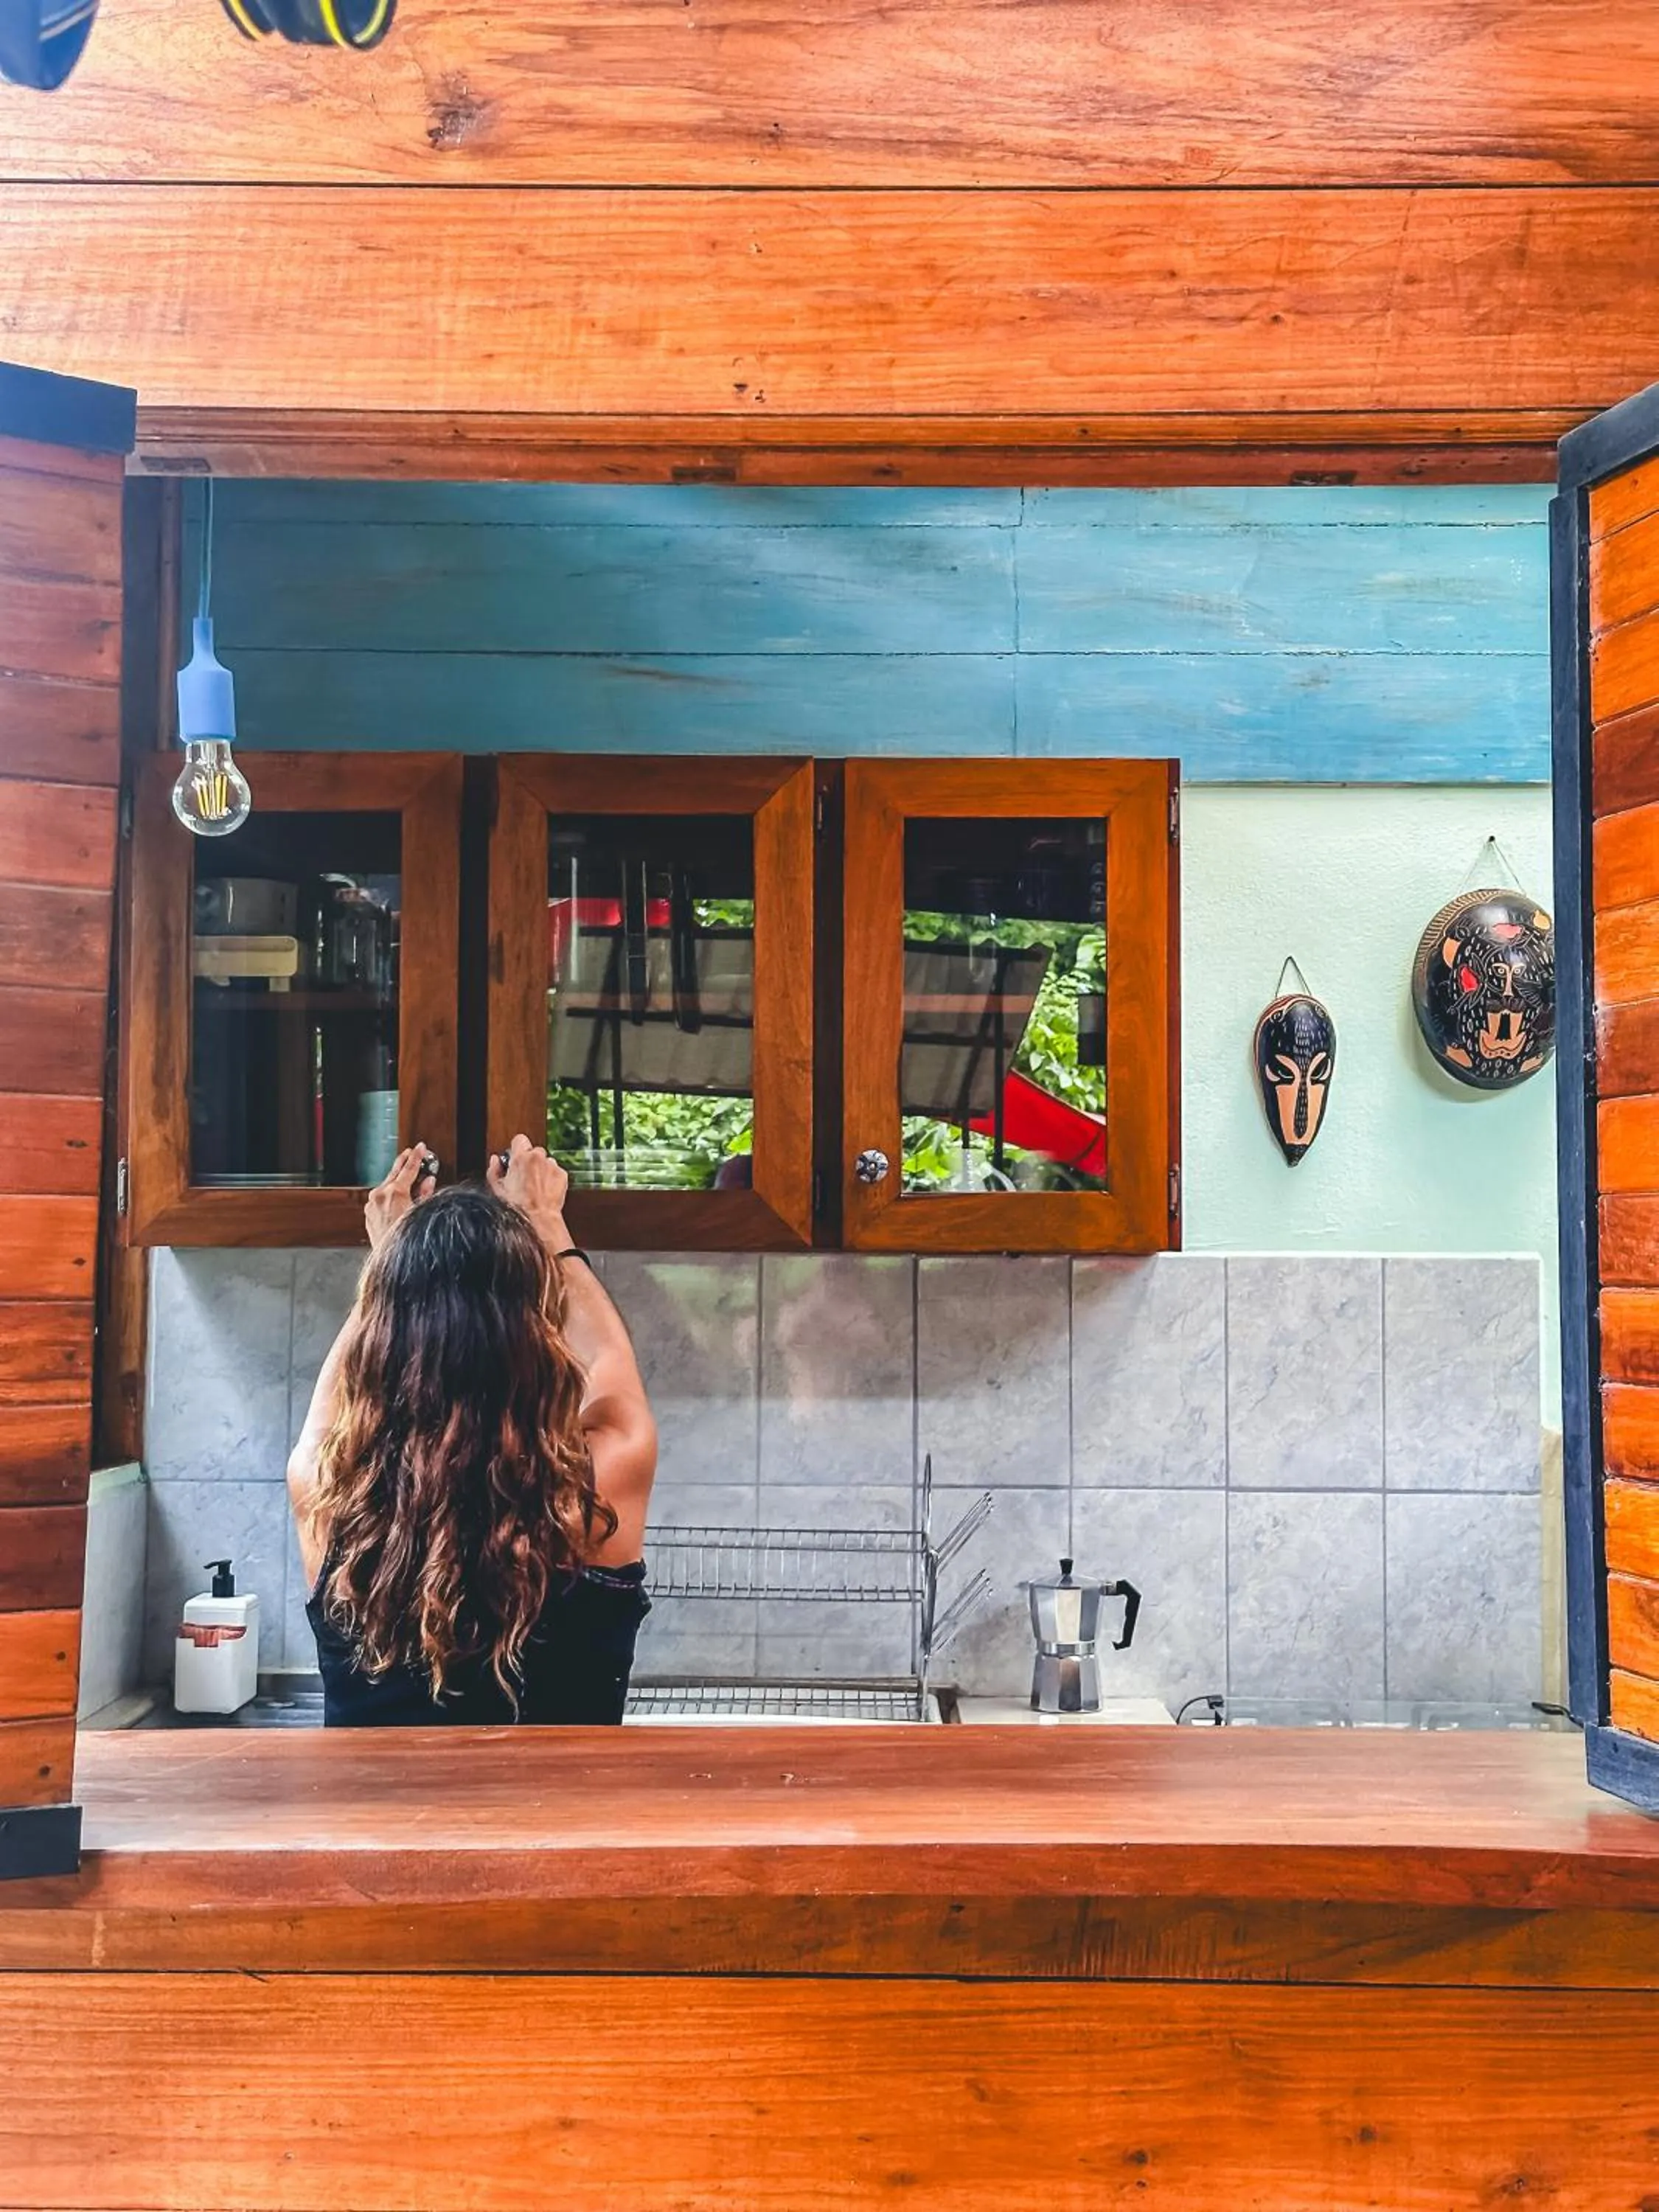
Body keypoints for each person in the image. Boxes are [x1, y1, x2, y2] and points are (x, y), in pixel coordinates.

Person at [287, 1135, 657, 1726]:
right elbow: (613, 1371)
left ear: (384, 1333)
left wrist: (392, 1262)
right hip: (562, 1819)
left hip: (376, 1820)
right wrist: (546, 1223)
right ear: (539, 1338)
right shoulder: (597, 1480)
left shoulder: (329, 1483)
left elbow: (341, 1394)